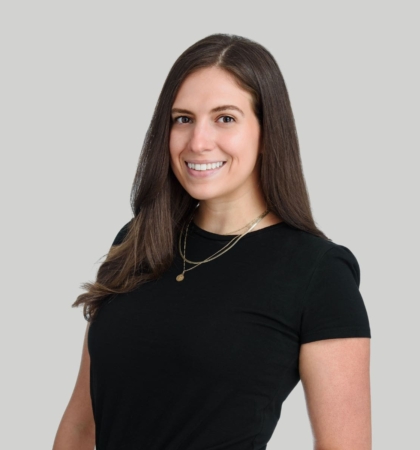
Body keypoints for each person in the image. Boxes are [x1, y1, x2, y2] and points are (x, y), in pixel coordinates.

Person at [53, 33, 372, 450]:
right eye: (183, 118)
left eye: (225, 118)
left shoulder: (318, 272)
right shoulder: (137, 242)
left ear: (266, 131)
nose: (198, 142)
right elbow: (80, 426)